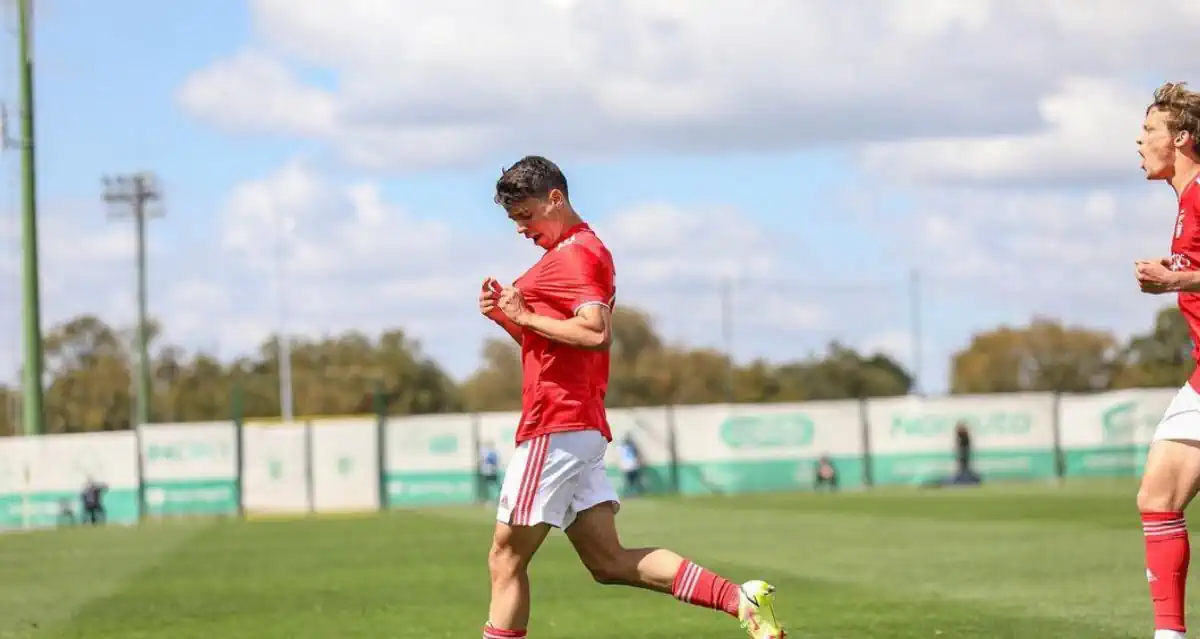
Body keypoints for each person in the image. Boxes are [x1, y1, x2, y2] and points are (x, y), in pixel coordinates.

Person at [476, 156, 785, 639]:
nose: (521, 228)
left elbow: (595, 332)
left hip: (555, 424)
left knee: (505, 557)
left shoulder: (577, 254)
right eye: (514, 219)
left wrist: (526, 315)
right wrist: (508, 317)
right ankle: (737, 598)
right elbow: (558, 346)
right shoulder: (574, 253)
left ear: (555, 199)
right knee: (608, 561)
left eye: (526, 215)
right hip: (577, 425)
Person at [1132, 81, 1200, 639]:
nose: (1139, 140)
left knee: (1158, 495)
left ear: (1180, 138)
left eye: (1150, 129)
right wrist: (1175, 271)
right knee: (1157, 497)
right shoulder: (1186, 200)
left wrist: (1175, 279)